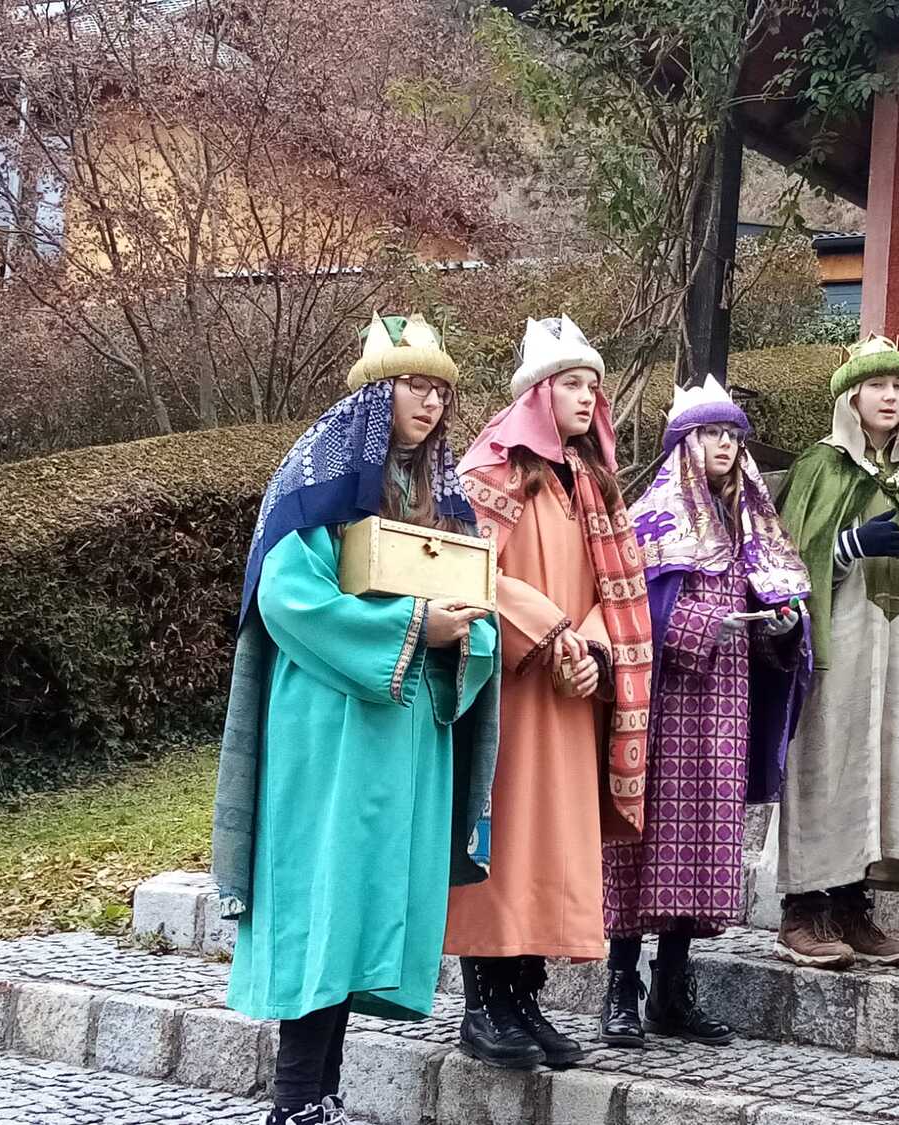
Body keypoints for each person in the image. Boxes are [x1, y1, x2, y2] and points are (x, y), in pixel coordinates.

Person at [212, 313, 501, 1125]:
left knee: (363, 904)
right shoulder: (317, 474)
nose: (432, 403)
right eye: (415, 385)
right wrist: (411, 627)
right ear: (378, 392)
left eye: (441, 390)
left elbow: (476, 602)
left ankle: (323, 1094)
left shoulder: (441, 493)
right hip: (330, 724)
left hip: (405, 730)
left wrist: (465, 631)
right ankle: (295, 1099)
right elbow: (287, 596)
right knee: (324, 899)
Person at [445, 314, 652, 1069]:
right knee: (501, 839)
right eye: (572, 383)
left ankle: (525, 999)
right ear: (538, 393)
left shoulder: (593, 484)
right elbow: (466, 570)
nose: (588, 396)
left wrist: (593, 649)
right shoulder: (488, 472)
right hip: (505, 688)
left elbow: (618, 589)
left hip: (569, 696)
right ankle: (482, 1005)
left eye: (593, 384)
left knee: (551, 846)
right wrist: (550, 631)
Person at [600, 375, 812, 1047]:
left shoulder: (751, 523)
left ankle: (672, 988)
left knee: (700, 848)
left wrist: (784, 625)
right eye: (712, 433)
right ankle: (620, 987)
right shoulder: (651, 518)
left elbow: (773, 597)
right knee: (640, 843)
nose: (726, 445)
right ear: (683, 443)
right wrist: (698, 624)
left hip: (725, 709)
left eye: (733, 435)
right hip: (662, 707)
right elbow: (632, 610)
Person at [773, 335, 899, 970]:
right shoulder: (819, 467)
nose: (891, 396)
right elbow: (786, 559)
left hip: (897, 639)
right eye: (878, 385)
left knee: (884, 764)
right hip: (839, 637)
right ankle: (804, 908)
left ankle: (853, 906)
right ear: (851, 396)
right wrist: (850, 544)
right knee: (826, 759)